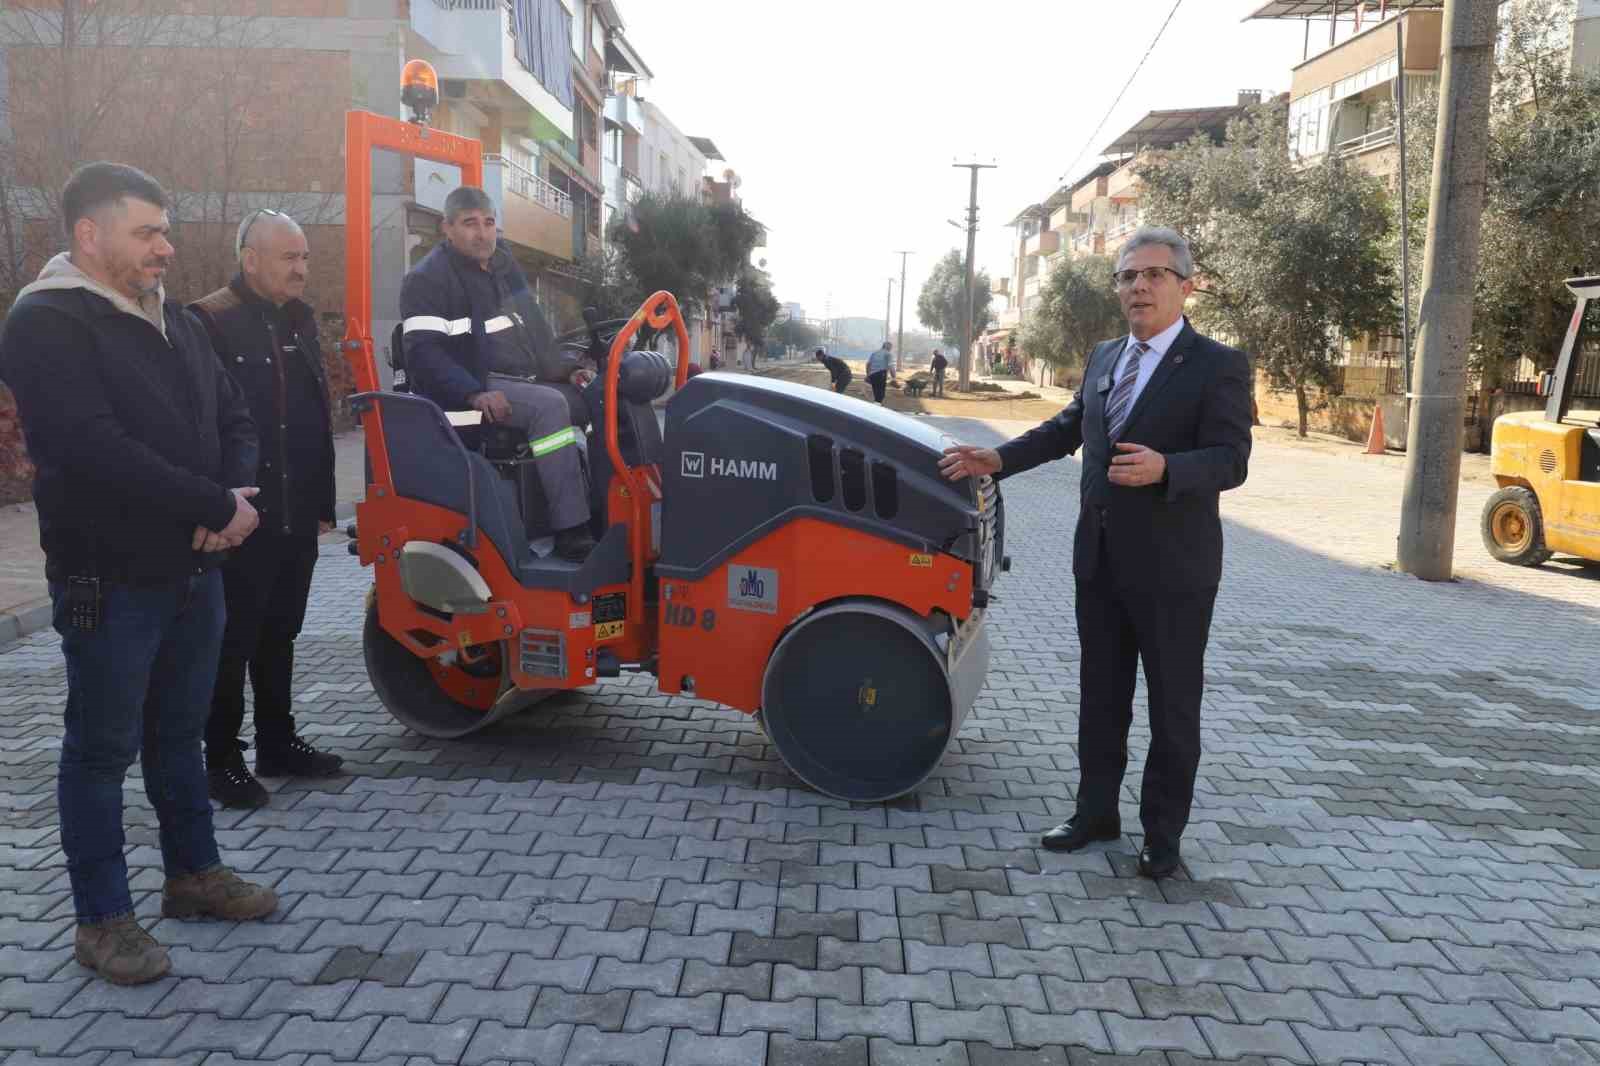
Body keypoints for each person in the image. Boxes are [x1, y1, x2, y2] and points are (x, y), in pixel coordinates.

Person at [0, 163, 279, 985]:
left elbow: (234, 415)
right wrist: (210, 501)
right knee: (100, 749)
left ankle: (193, 874)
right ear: (90, 235)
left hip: (196, 570)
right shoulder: (46, 324)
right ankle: (102, 921)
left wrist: (229, 496)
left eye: (166, 229)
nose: (166, 245)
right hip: (109, 579)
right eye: (146, 231)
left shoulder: (176, 318)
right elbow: (91, 445)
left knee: (179, 736)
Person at [938, 226, 1252, 880]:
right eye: (1127, 276)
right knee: (1101, 698)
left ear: (1185, 286)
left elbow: (1231, 460)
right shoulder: (1107, 356)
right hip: (1100, 563)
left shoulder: (1218, 365)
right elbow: (1065, 430)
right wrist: (998, 458)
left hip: (1175, 573)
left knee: (1172, 709)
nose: (1138, 286)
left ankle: (1162, 837)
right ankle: (1094, 813)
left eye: (1154, 275)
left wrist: (1168, 467)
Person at [188, 209, 343, 810]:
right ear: (250, 259)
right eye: (289, 257)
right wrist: (214, 502)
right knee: (233, 640)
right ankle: (220, 759)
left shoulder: (301, 320)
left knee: (282, 633)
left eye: (304, 257)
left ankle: (277, 743)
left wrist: (324, 502)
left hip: (296, 511)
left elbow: (316, 415)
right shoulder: (210, 321)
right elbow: (201, 420)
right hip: (241, 513)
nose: (301, 269)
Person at [401, 186, 594, 560]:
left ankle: (597, 507)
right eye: (470, 223)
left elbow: (534, 325)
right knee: (549, 407)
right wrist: (474, 392)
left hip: (515, 378)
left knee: (595, 395)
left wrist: (565, 369)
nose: (482, 232)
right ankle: (572, 529)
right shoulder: (428, 279)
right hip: (473, 384)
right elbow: (423, 353)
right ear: (448, 228)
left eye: (488, 223)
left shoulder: (503, 266)